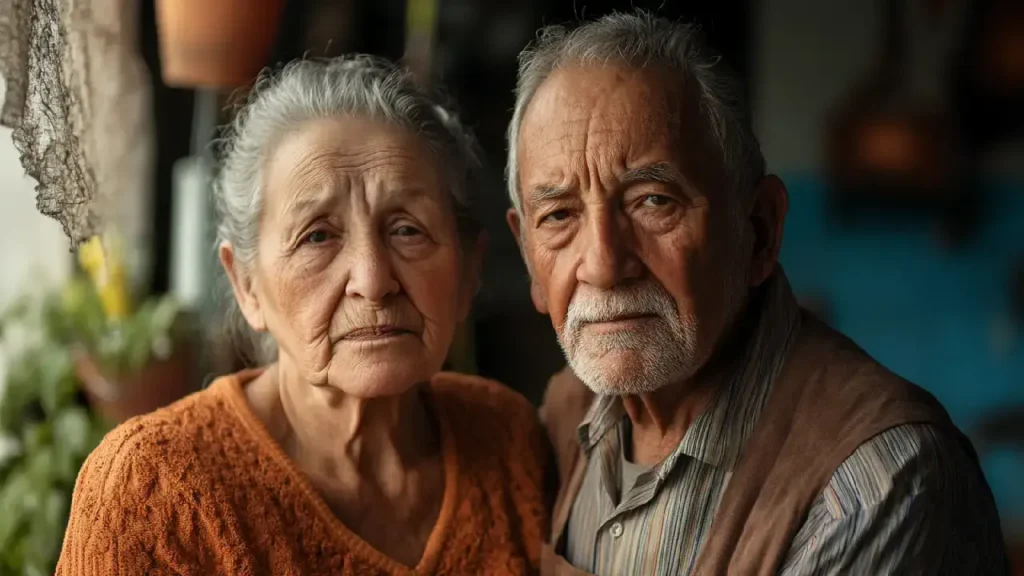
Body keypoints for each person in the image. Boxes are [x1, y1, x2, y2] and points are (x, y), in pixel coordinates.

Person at [504, 11, 1008, 576]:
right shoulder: (559, 421)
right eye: (558, 215)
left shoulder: (877, 483)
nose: (602, 265)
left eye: (653, 201)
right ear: (527, 255)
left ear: (760, 230)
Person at [56, 56, 549, 575]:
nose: (373, 279)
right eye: (318, 236)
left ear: (469, 270)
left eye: (407, 229)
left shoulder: (506, 438)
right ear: (245, 283)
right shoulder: (151, 493)